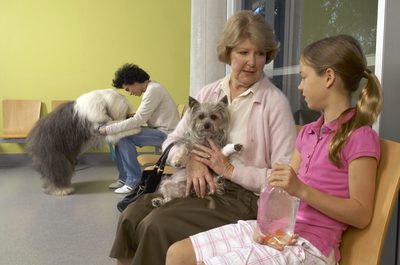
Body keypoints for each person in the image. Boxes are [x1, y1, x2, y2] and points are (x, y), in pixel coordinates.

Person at [165, 34, 384, 265]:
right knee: (177, 254)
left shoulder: (360, 137)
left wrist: (302, 190)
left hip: (311, 247)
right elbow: (284, 192)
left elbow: (361, 214)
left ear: (328, 77)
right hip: (282, 233)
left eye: (304, 77)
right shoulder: (308, 133)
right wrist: (266, 225)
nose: (299, 86)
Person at [109, 11, 297, 265]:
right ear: (228, 53)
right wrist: (191, 160)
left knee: (156, 225)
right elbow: (171, 140)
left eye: (260, 53)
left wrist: (229, 169)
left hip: (241, 197)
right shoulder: (209, 91)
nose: (252, 62)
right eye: (243, 52)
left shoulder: (275, 104)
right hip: (196, 183)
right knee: (131, 216)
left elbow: (282, 180)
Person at [99, 63, 180, 194]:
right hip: (160, 130)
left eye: (128, 89)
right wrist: (126, 117)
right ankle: (124, 178)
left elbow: (138, 120)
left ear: (135, 82)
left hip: (166, 135)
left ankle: (133, 181)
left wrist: (108, 129)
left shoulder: (153, 91)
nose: (130, 93)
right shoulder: (152, 88)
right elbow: (142, 115)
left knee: (122, 136)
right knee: (120, 136)